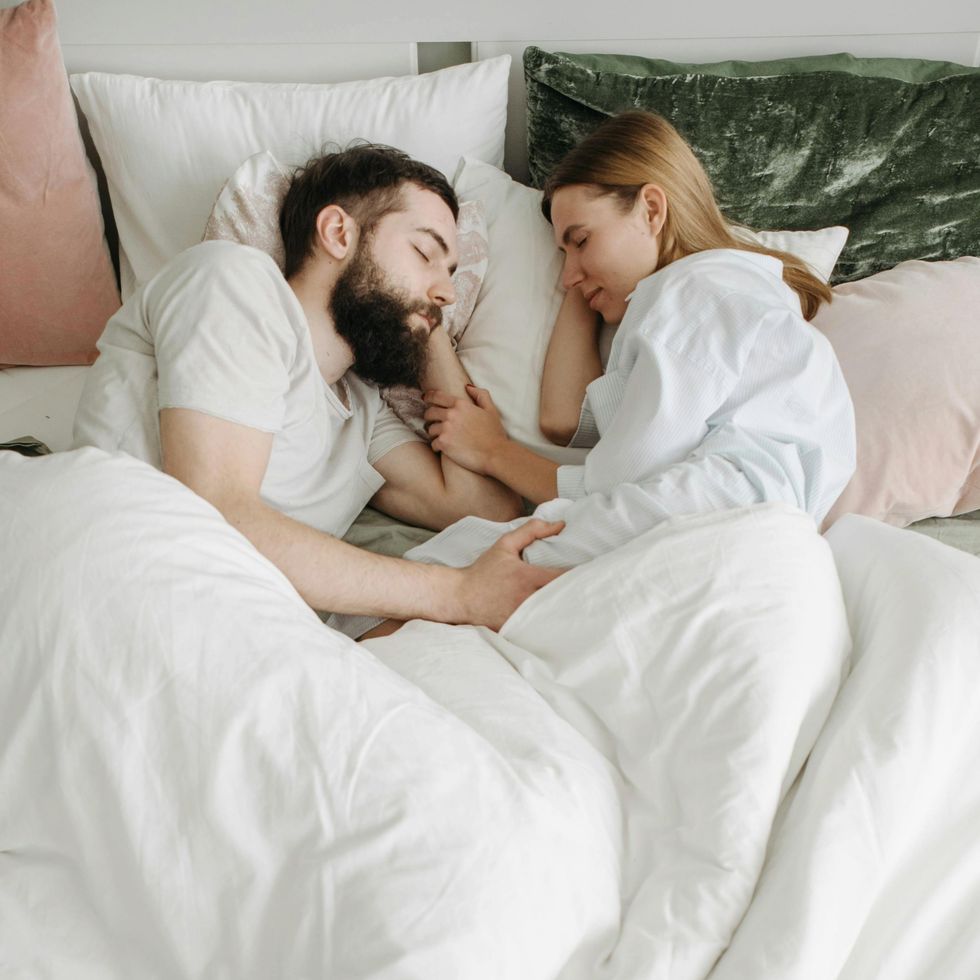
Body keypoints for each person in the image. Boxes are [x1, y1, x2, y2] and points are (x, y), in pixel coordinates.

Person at [72, 143, 564, 630]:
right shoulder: (234, 282)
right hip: (128, 596)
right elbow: (219, 514)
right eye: (424, 252)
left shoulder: (362, 412)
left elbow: (483, 509)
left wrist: (427, 322)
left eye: (451, 273)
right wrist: (456, 593)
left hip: (236, 633)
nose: (450, 291)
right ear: (336, 232)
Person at [416, 110, 856, 570]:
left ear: (651, 210)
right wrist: (589, 279)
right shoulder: (713, 295)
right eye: (562, 252)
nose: (566, 274)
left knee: (470, 565)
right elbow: (563, 420)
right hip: (750, 521)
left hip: (724, 510)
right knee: (475, 568)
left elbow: (611, 486)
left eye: (581, 239)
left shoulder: (693, 293)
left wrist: (493, 451)